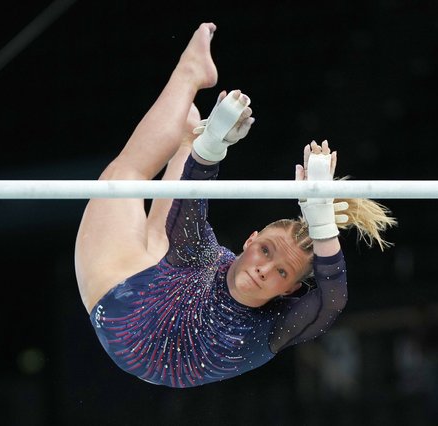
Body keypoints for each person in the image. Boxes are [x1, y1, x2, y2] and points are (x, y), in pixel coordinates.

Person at [74, 22, 396, 388]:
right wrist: (211, 146)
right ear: (250, 239)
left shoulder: (274, 327)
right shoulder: (203, 255)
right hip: (163, 275)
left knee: (142, 186)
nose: (264, 269)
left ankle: (190, 135)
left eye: (281, 273)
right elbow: (192, 201)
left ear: (289, 291)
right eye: (266, 251)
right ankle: (190, 77)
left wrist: (323, 224)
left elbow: (332, 301)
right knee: (126, 177)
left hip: (118, 300)